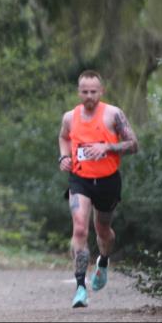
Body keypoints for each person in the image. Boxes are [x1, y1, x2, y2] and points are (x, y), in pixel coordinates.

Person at [58, 70, 138, 309]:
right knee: (80, 229)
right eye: (85, 91)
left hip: (107, 180)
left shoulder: (113, 114)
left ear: (101, 92)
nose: (89, 96)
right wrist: (63, 158)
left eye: (94, 91)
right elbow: (63, 138)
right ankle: (80, 287)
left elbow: (134, 144)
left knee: (103, 230)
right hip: (80, 180)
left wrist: (108, 148)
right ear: (78, 92)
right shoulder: (70, 117)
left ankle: (103, 260)